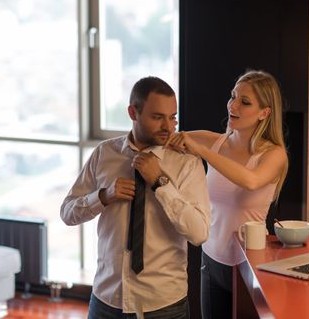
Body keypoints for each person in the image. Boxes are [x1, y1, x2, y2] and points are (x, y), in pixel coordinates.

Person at [61, 76, 210, 319]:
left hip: (163, 305)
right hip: (106, 300)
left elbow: (199, 233)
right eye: (157, 117)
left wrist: (160, 183)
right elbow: (67, 213)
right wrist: (103, 196)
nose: (168, 126)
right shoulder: (104, 154)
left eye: (172, 117)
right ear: (133, 112)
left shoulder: (187, 164)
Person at [166, 70, 288, 319]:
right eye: (233, 97)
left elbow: (251, 181)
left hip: (250, 264)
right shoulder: (217, 142)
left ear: (264, 113)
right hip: (210, 260)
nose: (233, 105)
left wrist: (202, 151)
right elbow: (169, 138)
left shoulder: (273, 155)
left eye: (245, 102)